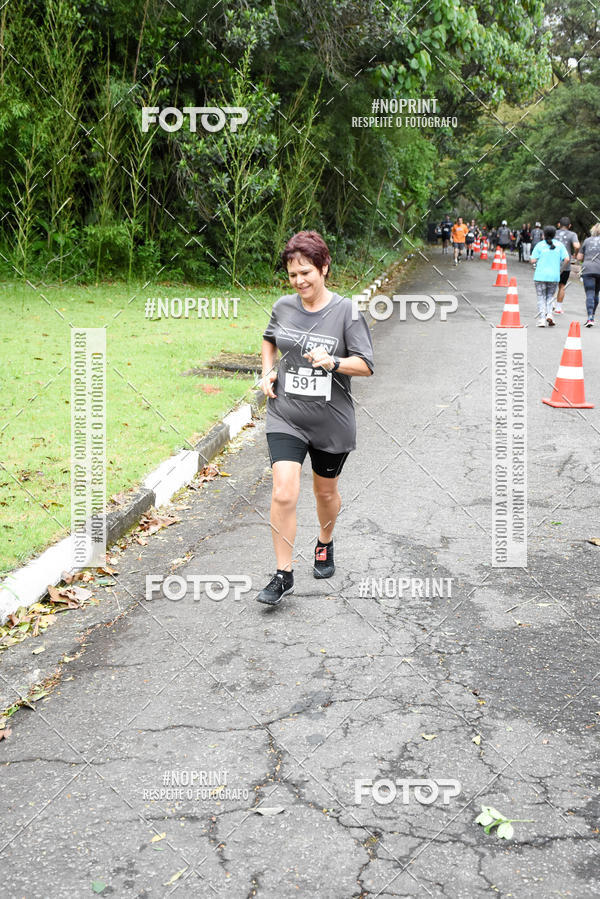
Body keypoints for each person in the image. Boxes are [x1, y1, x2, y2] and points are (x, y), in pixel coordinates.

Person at [256, 230, 374, 605]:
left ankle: (325, 541)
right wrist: (267, 371)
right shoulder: (283, 307)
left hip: (330, 422)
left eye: (306, 272)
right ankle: (283, 573)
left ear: (324, 268)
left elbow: (366, 364)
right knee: (283, 491)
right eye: (293, 275)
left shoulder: (346, 312)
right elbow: (270, 339)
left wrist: (334, 362)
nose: (299, 281)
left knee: (325, 492)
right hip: (286, 415)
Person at [530, 225, 569, 327]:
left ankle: (542, 319)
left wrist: (538, 261)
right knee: (550, 297)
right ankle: (550, 314)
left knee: (541, 297)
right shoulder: (560, 245)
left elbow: (533, 260)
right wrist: (561, 270)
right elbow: (567, 259)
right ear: (554, 234)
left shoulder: (539, 245)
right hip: (554, 276)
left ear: (544, 234)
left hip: (540, 276)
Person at [552, 216, 580, 314]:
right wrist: (575, 254)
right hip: (565, 263)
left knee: (551, 284)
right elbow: (577, 246)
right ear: (570, 225)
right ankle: (558, 308)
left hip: (552, 262)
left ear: (558, 224)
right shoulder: (572, 234)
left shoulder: (553, 232)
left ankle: (551, 304)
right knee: (562, 286)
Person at [576, 222, 600, 327]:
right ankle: (592, 316)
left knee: (590, 293)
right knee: (596, 294)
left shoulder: (587, 240)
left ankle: (590, 318)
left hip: (588, 269)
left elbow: (579, 257)